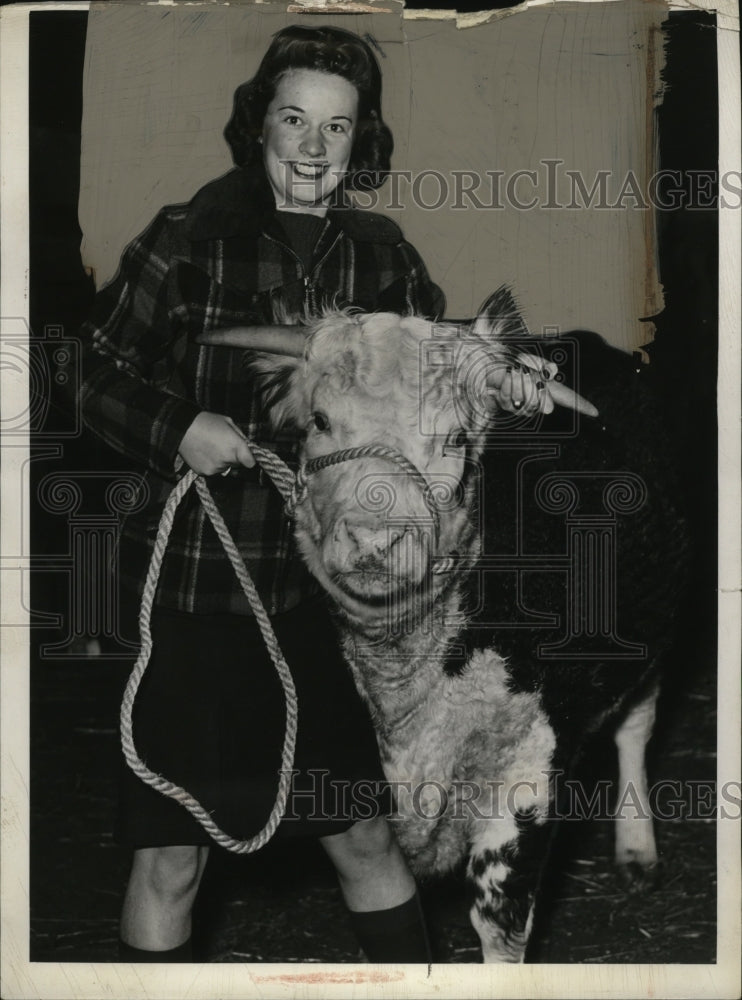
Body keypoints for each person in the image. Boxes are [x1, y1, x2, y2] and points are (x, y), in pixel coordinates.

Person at [78, 25, 445, 964]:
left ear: (362, 141)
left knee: (363, 833)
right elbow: (85, 374)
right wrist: (179, 430)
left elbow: (431, 389)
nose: (314, 148)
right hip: (202, 597)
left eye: (338, 126)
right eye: (294, 119)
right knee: (172, 862)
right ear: (260, 126)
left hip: (330, 605)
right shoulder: (187, 239)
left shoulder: (385, 260)